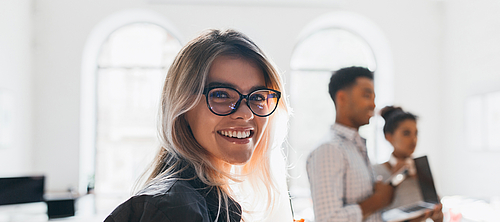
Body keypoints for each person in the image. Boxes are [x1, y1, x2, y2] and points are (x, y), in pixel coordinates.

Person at [104, 29, 290, 222]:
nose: (246, 113)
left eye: (258, 96)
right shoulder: (172, 210)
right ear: (182, 106)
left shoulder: (208, 202)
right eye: (221, 94)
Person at [306, 66, 394, 222]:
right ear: (342, 98)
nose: (373, 105)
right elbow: (328, 219)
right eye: (367, 96)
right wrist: (377, 200)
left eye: (374, 98)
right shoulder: (329, 149)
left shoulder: (355, 146)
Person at [373, 106, 443, 222]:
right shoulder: (376, 171)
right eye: (406, 133)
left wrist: (437, 215)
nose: (413, 139)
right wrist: (394, 179)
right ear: (388, 137)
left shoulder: (421, 168)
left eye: (416, 133)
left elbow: (439, 217)